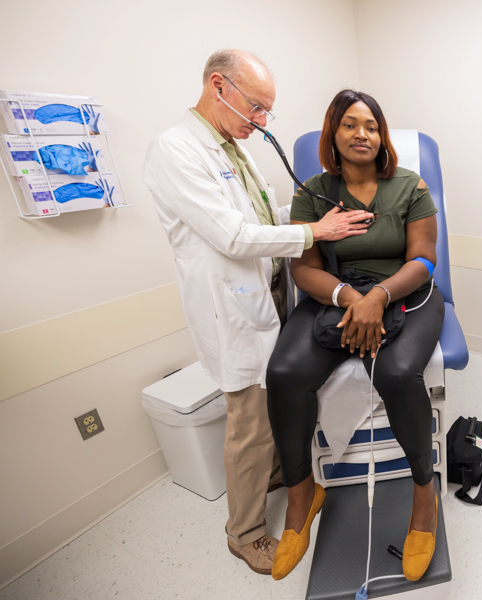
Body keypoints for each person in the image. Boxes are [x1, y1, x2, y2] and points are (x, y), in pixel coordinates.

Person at [142, 50, 372, 576]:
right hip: (232, 309)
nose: (263, 122)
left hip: (268, 297)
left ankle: (274, 478)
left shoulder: (229, 147)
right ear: (218, 86)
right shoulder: (175, 151)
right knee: (248, 422)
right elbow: (231, 234)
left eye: (269, 112)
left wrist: (315, 214)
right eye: (258, 108)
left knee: (276, 406)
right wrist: (317, 232)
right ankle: (243, 534)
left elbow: (260, 214)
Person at [266, 90, 444, 581]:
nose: (361, 133)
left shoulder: (410, 185)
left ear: (381, 136)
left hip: (407, 292)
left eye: (370, 125)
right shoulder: (313, 191)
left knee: (398, 371)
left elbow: (425, 259)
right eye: (349, 124)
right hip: (336, 294)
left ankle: (424, 494)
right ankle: (303, 494)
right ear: (334, 133)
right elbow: (302, 268)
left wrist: (378, 296)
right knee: (284, 372)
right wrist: (350, 297)